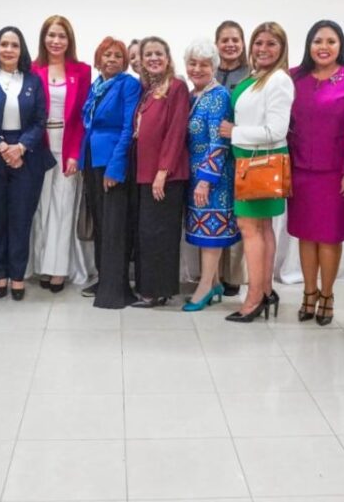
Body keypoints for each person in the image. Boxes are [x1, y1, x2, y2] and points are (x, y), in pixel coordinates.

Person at [288, 20, 344, 325]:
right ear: (309, 45)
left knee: (329, 237)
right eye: (318, 41)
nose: (324, 47)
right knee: (305, 235)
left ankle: (327, 294)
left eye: (331, 41)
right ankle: (308, 293)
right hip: (299, 171)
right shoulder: (294, 77)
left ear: (340, 46)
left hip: (336, 174)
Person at [219, 22, 295, 322]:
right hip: (249, 161)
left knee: (252, 230)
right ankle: (265, 291)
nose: (263, 49)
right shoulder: (257, 78)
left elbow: (276, 130)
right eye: (259, 43)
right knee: (261, 229)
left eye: (271, 44)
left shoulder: (278, 80)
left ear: (282, 49)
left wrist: (234, 132)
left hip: (261, 163)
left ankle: (253, 298)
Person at [0, 26, 53, 300]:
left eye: (14, 45)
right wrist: (1, 146)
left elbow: (41, 120)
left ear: (22, 50)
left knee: (20, 219)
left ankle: (17, 276)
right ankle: (1, 274)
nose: (8, 49)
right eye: (4, 44)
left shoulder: (33, 81)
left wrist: (20, 147)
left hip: (26, 157)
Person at [30, 15, 91, 292]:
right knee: (41, 209)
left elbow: (81, 117)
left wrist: (75, 154)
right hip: (38, 148)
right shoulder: (32, 69)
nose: (56, 41)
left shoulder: (82, 70)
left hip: (67, 147)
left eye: (62, 36)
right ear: (44, 38)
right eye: (51, 35)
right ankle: (42, 265)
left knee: (63, 208)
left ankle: (58, 271)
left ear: (70, 40)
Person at [80, 37, 142, 308]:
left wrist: (116, 168)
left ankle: (115, 287)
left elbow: (129, 127)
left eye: (118, 55)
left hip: (112, 161)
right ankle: (105, 276)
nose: (112, 59)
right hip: (92, 159)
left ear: (125, 61)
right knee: (101, 222)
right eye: (107, 55)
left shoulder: (128, 84)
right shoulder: (97, 86)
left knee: (115, 224)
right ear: (98, 59)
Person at [131, 36, 189, 307]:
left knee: (160, 234)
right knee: (147, 233)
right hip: (145, 174)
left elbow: (176, 132)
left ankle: (158, 291)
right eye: (148, 54)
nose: (153, 58)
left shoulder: (176, 87)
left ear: (167, 57)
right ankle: (151, 288)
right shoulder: (147, 90)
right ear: (141, 60)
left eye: (158, 53)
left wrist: (162, 171)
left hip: (166, 176)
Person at [182, 38, 239, 311]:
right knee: (201, 230)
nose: (197, 69)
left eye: (204, 64)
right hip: (194, 173)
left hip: (213, 178)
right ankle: (214, 281)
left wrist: (206, 180)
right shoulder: (194, 95)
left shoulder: (218, 96)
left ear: (214, 67)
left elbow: (220, 142)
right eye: (192, 63)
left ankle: (204, 287)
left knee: (210, 233)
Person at [213, 20, 249, 297]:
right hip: (213, 155)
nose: (230, 44)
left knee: (239, 215)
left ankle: (233, 275)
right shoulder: (208, 71)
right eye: (224, 40)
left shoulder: (252, 75)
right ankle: (211, 273)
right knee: (215, 210)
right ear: (217, 44)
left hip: (240, 153)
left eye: (235, 39)